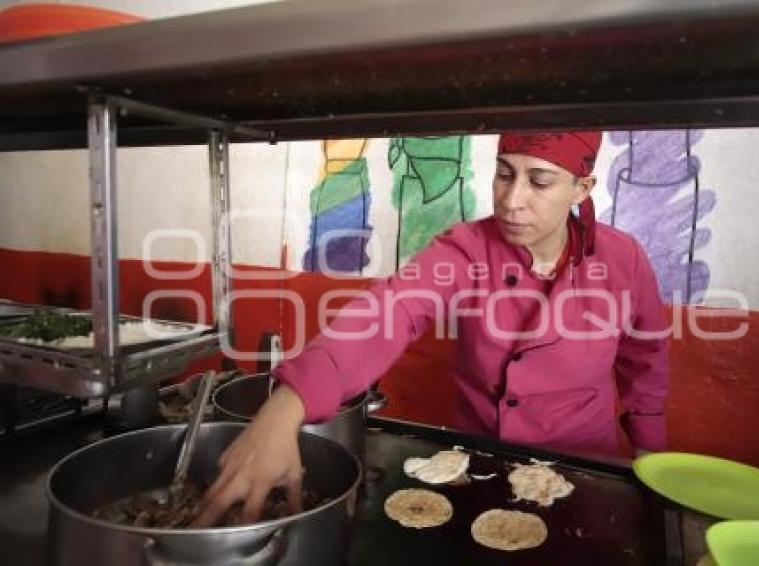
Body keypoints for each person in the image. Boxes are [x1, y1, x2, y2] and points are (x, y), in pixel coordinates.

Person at [196, 131, 669, 526]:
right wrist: (287, 404)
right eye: (504, 173)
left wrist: (649, 451)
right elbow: (392, 310)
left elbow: (645, 356)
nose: (511, 199)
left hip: (583, 466)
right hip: (479, 462)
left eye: (539, 182)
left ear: (581, 190)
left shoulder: (622, 258)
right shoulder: (468, 247)